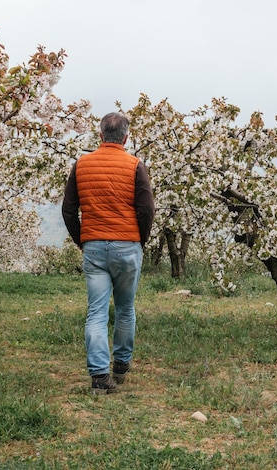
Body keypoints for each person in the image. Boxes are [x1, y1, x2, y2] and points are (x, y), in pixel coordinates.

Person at [61, 112, 155, 395]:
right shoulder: (135, 165)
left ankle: (99, 376)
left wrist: (82, 239)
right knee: (125, 309)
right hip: (128, 245)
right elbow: (146, 208)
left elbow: (68, 209)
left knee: (96, 313)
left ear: (100, 136)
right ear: (126, 138)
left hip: (94, 246)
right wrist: (141, 240)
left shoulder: (82, 164)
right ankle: (121, 366)